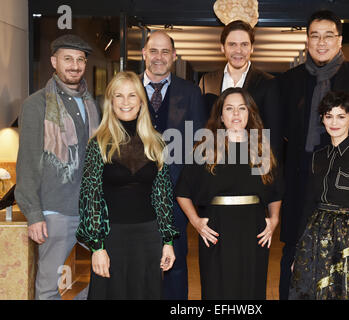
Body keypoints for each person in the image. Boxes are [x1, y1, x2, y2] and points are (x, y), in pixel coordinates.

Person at [276, 9, 349, 299]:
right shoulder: (290, 82)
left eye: (328, 36)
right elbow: (282, 132)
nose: (321, 42)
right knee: (295, 256)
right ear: (307, 40)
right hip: (301, 183)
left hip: (346, 191)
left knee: (347, 276)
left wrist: (346, 160)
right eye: (314, 36)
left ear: (339, 40)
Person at [76, 71, 179, 299]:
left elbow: (162, 196)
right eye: (119, 96)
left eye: (132, 95)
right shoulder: (99, 144)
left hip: (148, 237)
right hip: (112, 239)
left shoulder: (156, 142)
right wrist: (97, 247)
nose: (125, 102)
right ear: (111, 102)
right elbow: (90, 197)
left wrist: (167, 242)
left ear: (142, 101)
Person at [176, 87, 284, 299]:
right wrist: (196, 222)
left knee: (251, 292)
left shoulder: (261, 148)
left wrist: (274, 220)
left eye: (242, 108)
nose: (236, 114)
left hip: (253, 232)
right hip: (217, 231)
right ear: (221, 116)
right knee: (217, 291)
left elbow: (276, 191)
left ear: (250, 113)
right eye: (229, 108)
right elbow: (182, 191)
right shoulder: (205, 149)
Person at [15, 34, 100, 300]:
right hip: (54, 212)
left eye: (80, 60)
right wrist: (34, 214)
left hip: (88, 210)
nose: (75, 65)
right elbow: (27, 162)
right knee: (51, 288)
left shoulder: (91, 104)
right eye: (68, 59)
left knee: (88, 283)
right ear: (54, 62)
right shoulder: (35, 104)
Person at [289, 91, 349, 300]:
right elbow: (308, 205)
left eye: (341, 116)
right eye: (328, 115)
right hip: (317, 235)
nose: (334, 122)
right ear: (322, 119)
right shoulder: (317, 156)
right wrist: (299, 252)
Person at [141, 30, 207, 299]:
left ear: (174, 56)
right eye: (153, 51)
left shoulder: (190, 92)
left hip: (175, 194)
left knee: (176, 263)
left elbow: (200, 145)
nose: (159, 57)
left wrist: (189, 191)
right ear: (144, 53)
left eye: (165, 51)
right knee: (139, 262)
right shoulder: (127, 89)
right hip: (134, 192)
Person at [199, 19, 283, 160]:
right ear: (222, 48)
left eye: (244, 44)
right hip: (216, 161)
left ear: (252, 48)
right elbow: (202, 125)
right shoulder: (207, 81)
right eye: (232, 44)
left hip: (252, 162)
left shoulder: (268, 83)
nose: (238, 50)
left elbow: (273, 134)